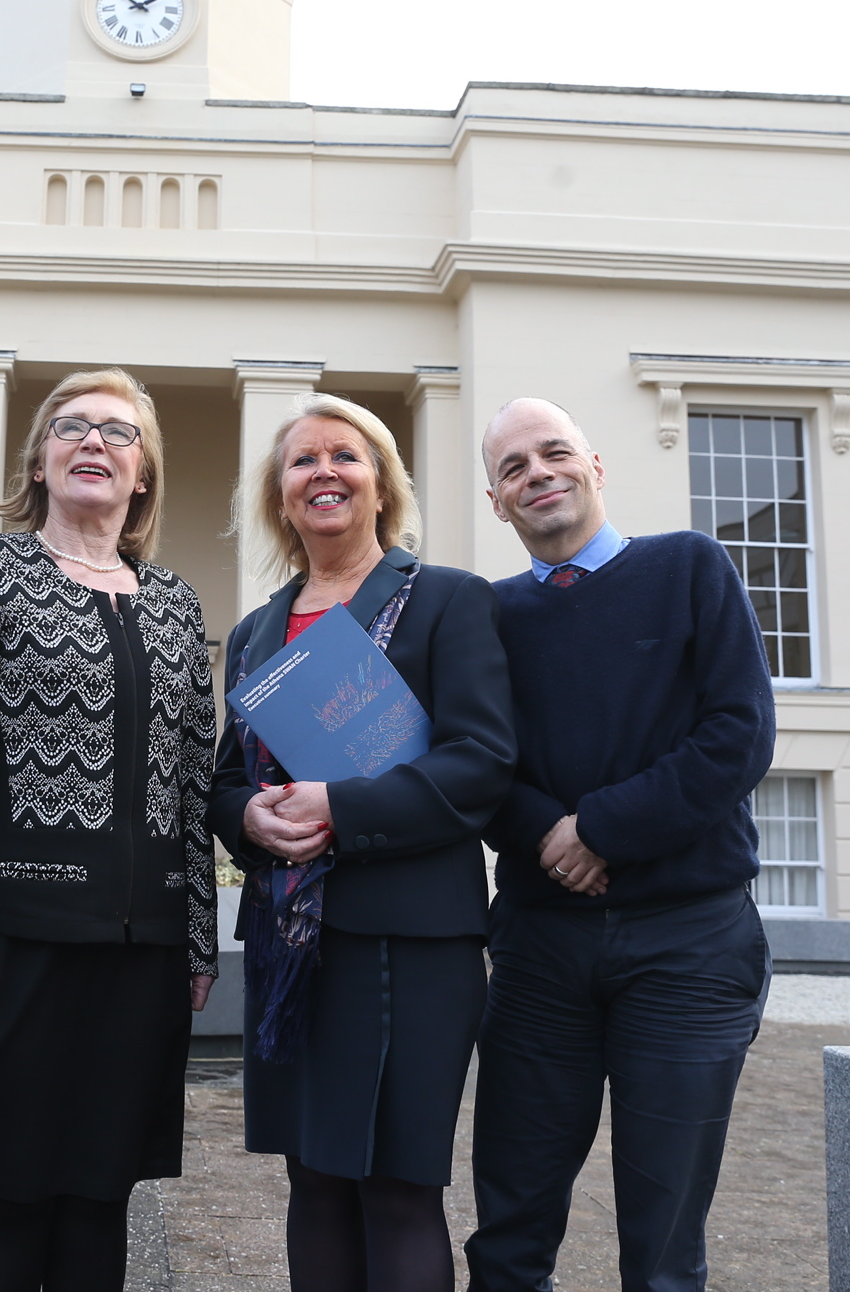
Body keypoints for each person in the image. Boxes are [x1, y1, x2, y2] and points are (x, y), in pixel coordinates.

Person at [0, 368, 219, 1292]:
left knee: (101, 1197)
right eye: (71, 427)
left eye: (118, 433)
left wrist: (197, 939)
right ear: (40, 461)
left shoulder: (174, 603)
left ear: (144, 475)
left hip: (143, 956)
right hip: (15, 949)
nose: (94, 442)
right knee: (9, 1197)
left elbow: (195, 783)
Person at [463, 397, 777, 1292]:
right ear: (497, 502)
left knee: (663, 1237)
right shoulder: (490, 616)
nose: (538, 475)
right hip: (538, 950)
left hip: (689, 946)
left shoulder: (689, 567)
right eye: (514, 468)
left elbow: (737, 735)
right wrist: (553, 841)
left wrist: (599, 829)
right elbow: (479, 764)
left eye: (554, 453)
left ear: (596, 467)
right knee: (511, 1226)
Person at [208, 394, 518, 1292]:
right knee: (313, 1180)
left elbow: (482, 762)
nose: (324, 473)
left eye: (345, 456)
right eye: (302, 461)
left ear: (382, 484)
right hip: (293, 946)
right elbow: (230, 778)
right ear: (280, 494)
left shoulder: (447, 601)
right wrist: (248, 820)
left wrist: (340, 807)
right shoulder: (261, 629)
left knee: (395, 1188)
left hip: (411, 946)